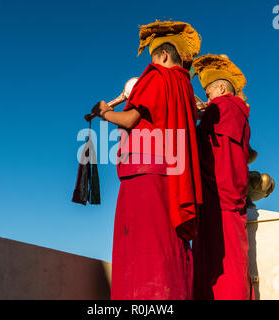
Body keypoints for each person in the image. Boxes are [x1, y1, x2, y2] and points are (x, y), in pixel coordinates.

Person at [97, 20, 202, 299]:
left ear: (163, 56)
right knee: (168, 244)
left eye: (153, 57)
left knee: (142, 245)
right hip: (174, 174)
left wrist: (105, 113)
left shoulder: (157, 77)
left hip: (144, 172)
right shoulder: (185, 87)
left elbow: (131, 119)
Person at [192, 54, 252, 300]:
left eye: (208, 94)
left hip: (218, 194)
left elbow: (210, 149)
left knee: (218, 265)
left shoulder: (223, 106)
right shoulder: (240, 113)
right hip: (233, 196)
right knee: (235, 262)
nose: (208, 100)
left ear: (222, 88)